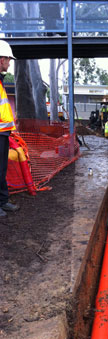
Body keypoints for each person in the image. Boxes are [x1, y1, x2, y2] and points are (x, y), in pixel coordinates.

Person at [0, 40, 19, 218]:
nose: (9, 62)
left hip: (3, 133)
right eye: (8, 59)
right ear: (1, 60)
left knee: (2, 168)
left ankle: (3, 201)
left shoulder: (0, 81)